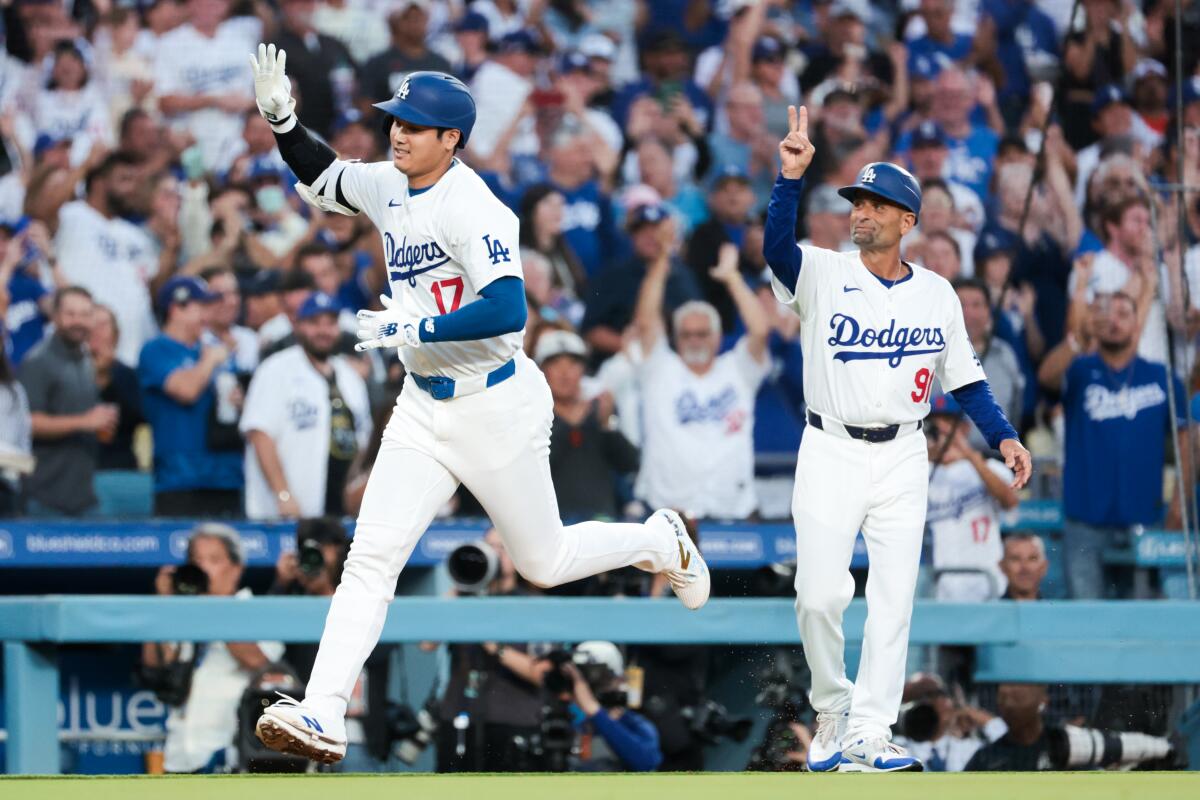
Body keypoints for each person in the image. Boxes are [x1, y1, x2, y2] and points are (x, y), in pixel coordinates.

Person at [247, 50, 709, 763]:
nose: (397, 133)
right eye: (395, 120)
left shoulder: (474, 205)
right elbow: (324, 174)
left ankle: (657, 541)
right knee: (369, 560)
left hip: (493, 403)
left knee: (543, 561)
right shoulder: (389, 183)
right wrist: (282, 119)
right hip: (422, 406)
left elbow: (507, 305)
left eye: (415, 126)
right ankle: (323, 712)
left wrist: (418, 327)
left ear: (451, 140)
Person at [762, 106, 1031, 773]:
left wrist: (1004, 439)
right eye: (858, 200)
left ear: (907, 221)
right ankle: (831, 707)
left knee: (892, 599)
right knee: (819, 595)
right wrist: (789, 180)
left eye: (877, 204)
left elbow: (966, 382)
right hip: (829, 448)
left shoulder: (937, 293)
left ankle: (871, 732)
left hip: (905, 453)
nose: (862, 212)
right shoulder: (823, 273)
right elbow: (775, 253)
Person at [1037, 291, 1189, 598]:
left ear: (1137, 323)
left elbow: (1186, 440)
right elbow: (1046, 377)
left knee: (1140, 620)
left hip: (1144, 515)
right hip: (1085, 517)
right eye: (1107, 314)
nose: (1114, 321)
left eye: (1123, 314)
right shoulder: (1080, 371)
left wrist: (1178, 505)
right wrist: (1078, 339)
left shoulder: (1161, 376)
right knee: (1086, 618)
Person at [631, 240, 770, 519]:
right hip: (668, 512)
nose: (695, 341)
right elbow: (646, 322)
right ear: (675, 338)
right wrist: (660, 266)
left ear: (718, 337)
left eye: (703, 333)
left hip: (732, 510)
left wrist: (732, 278)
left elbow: (760, 330)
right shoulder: (660, 369)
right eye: (686, 334)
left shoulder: (737, 369)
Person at [141, 523, 283, 773]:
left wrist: (213, 608)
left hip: (229, 754)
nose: (203, 568)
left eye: (213, 560)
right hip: (179, 753)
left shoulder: (256, 610)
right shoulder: (183, 612)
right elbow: (156, 665)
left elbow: (257, 661)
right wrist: (162, 605)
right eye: (197, 560)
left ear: (236, 569)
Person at [240, 292, 371, 519]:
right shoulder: (275, 368)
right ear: (297, 325)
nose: (323, 331)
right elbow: (260, 434)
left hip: (338, 512)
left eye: (330, 323)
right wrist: (283, 494)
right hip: (283, 511)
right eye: (314, 323)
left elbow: (360, 440)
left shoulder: (350, 376)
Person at [137, 275, 244, 516]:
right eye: (202, 306)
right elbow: (186, 391)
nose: (208, 314)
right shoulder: (156, 349)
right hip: (180, 478)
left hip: (226, 474)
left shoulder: (213, 350)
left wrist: (239, 400)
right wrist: (209, 362)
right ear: (176, 309)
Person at [19, 287, 114, 516]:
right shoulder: (38, 361)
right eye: (70, 314)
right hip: (44, 496)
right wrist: (84, 422)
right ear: (55, 316)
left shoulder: (84, 359)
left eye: (85, 314)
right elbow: (29, 422)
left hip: (83, 495)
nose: (78, 321)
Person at [925, 394, 1019, 602]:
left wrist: (967, 454)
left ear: (965, 429)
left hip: (988, 584)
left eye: (949, 424)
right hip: (942, 587)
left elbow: (1010, 501)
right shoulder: (920, 471)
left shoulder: (988, 468)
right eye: (935, 425)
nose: (942, 432)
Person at [537, 329, 638, 520]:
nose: (565, 373)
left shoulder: (600, 411)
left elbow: (630, 464)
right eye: (556, 364)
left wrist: (607, 425)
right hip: (549, 524)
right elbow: (533, 471)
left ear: (583, 370)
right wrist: (569, 424)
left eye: (573, 364)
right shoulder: (531, 415)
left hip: (600, 523)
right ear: (541, 370)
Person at [997, 533, 1048, 601]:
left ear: (1043, 566)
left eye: (1032, 559)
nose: (1025, 568)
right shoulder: (990, 611)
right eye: (1016, 559)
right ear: (1002, 566)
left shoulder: (1055, 611)